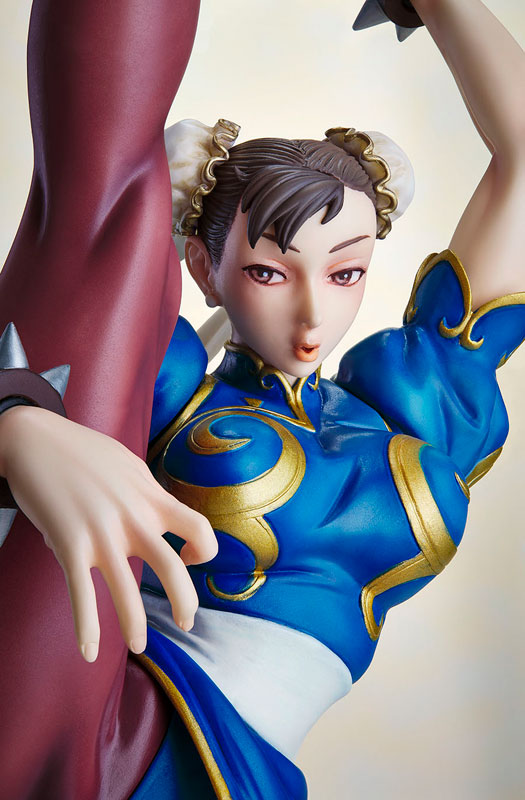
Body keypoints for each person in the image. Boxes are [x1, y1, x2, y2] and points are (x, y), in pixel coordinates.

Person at [0, 0, 524, 797]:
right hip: (109, 724)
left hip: (249, 776)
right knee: (104, 200)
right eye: (269, 272)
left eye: (344, 272)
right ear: (204, 269)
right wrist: (17, 424)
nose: (313, 312)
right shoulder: (178, 389)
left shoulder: (414, 405)